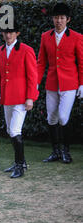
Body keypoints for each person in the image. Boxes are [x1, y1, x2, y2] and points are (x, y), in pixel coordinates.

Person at [0, 22, 38, 178]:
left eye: (11, 32)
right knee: (10, 131)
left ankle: (20, 166)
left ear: (17, 33)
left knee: (15, 131)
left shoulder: (26, 50)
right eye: (5, 32)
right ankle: (19, 162)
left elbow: (32, 76)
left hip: (22, 99)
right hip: (7, 98)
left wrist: (30, 98)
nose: (8, 35)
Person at [37, 3, 82, 164]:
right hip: (52, 83)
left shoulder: (77, 37)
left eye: (62, 18)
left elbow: (81, 62)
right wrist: (36, 81)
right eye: (56, 17)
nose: (59, 21)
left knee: (63, 117)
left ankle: (66, 151)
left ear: (68, 19)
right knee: (51, 118)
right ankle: (55, 151)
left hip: (70, 83)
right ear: (52, 19)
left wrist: (82, 84)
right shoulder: (45, 36)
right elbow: (41, 62)